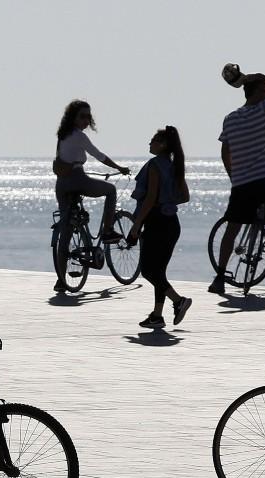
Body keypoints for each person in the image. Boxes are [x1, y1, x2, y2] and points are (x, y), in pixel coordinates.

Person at [209, 71, 265, 294]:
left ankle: (219, 277)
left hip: (242, 184)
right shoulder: (264, 110)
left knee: (232, 229)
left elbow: (224, 150)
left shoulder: (231, 118)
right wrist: (263, 76)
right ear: (257, 92)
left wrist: (233, 177)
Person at [53, 100, 131, 293]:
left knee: (67, 229)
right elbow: (99, 155)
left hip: (62, 184)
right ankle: (107, 230)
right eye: (83, 116)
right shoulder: (78, 136)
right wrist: (119, 168)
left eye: (88, 116)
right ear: (73, 117)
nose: (87, 119)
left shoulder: (62, 136)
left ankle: (61, 280)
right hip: (77, 179)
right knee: (111, 190)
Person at [126, 127, 192, 329]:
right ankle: (157, 315)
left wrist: (135, 226)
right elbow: (185, 197)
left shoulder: (155, 165)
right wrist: (168, 202)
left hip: (156, 223)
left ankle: (179, 300)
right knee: (159, 272)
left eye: (153, 140)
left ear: (162, 145)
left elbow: (149, 198)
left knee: (147, 271)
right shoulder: (174, 166)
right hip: (172, 223)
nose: (149, 143)